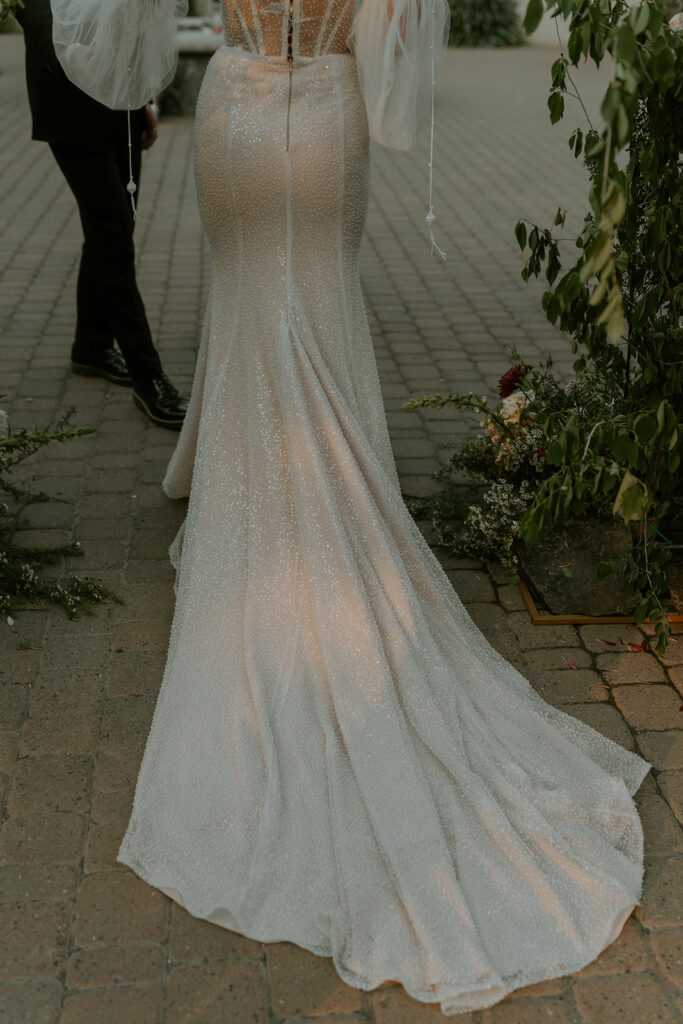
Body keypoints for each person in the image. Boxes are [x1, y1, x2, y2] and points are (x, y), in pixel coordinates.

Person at [47, 0, 649, 1015]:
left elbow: (119, 24)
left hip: (237, 110)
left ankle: (254, 506)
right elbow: (399, 40)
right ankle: (317, 492)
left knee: (247, 308)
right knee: (317, 308)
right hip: (327, 113)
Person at [12, 0, 188, 429]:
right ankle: (149, 376)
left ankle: (90, 346)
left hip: (120, 98)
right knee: (111, 234)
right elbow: (30, 10)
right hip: (68, 98)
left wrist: (143, 97)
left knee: (115, 225)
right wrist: (72, 50)